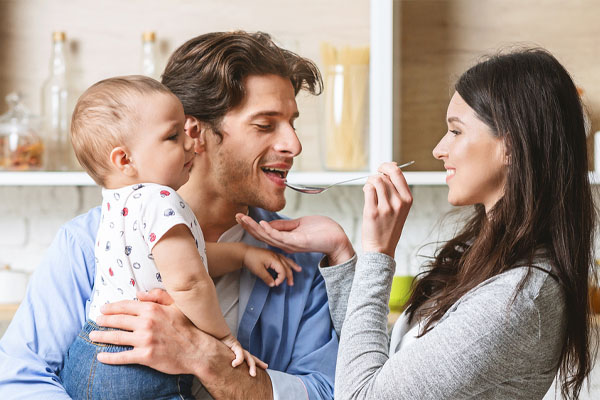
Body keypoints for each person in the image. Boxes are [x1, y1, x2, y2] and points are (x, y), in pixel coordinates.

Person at [0, 31, 353, 400]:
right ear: (194, 133)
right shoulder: (83, 243)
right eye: (265, 125)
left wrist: (206, 356)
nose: (293, 145)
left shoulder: (299, 263)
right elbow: (19, 379)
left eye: (292, 123)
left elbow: (329, 392)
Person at [237, 48, 596, 399]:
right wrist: (342, 252)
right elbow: (370, 367)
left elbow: (360, 396)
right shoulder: (491, 262)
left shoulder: (518, 300)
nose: (440, 149)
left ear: (512, 145)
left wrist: (379, 253)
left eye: (456, 131)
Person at [60, 75, 304, 399]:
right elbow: (189, 282)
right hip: (136, 372)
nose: (190, 143)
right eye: (173, 137)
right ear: (125, 160)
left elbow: (191, 257)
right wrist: (223, 340)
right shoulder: (161, 200)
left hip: (91, 352)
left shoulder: (117, 205)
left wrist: (243, 255)